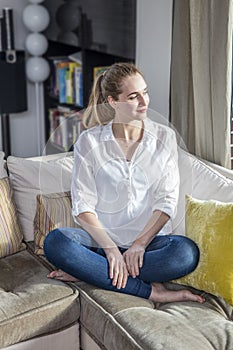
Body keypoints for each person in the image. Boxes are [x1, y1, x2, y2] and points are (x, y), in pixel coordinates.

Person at [44, 62, 205, 304]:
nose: (144, 102)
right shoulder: (89, 142)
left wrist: (139, 245)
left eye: (145, 92)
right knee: (57, 243)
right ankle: (151, 291)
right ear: (113, 102)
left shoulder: (164, 137)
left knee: (185, 254)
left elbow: (167, 199)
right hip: (102, 243)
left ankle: (92, 271)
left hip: (150, 244)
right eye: (133, 96)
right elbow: (83, 206)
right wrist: (111, 251)